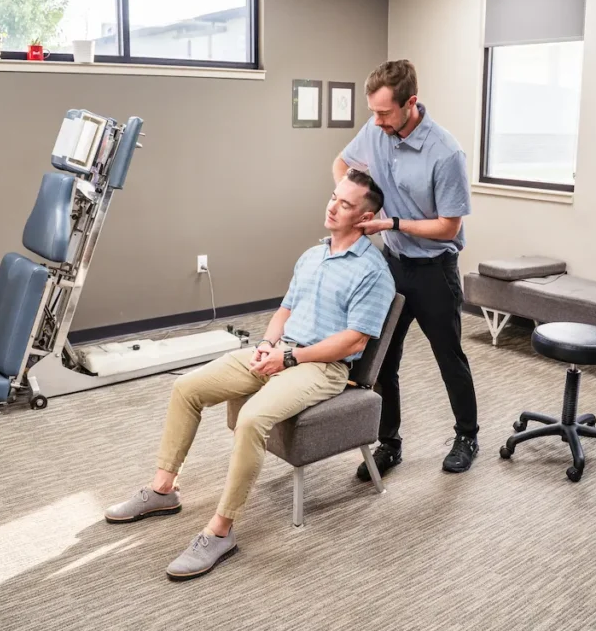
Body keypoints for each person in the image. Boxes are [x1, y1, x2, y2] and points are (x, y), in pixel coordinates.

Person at [104, 168, 396, 581]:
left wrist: (289, 358)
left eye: (345, 204)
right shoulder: (312, 255)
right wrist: (266, 343)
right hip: (282, 350)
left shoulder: (373, 271)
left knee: (252, 418)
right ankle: (163, 489)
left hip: (322, 367)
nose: (332, 206)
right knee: (186, 388)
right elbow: (285, 310)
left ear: (365, 218)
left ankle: (220, 532)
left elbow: (353, 342)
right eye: (334, 196)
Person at [332, 59, 479, 478]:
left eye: (384, 113)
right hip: (392, 267)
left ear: (410, 103)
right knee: (381, 360)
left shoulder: (445, 152)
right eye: (373, 112)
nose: (376, 121)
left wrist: (391, 222)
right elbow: (341, 164)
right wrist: (351, 203)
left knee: (449, 358)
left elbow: (448, 226)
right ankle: (389, 443)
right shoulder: (375, 130)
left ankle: (467, 436)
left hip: (435, 270)